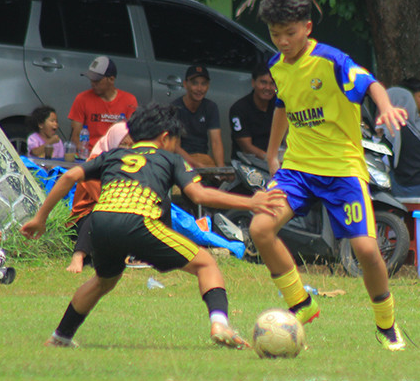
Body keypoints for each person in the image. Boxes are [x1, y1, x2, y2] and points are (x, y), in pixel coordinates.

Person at [21, 103, 286, 349]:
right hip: (139, 220)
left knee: (104, 280)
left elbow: (69, 176)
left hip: (100, 222)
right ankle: (220, 324)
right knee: (206, 264)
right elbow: (200, 196)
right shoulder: (169, 159)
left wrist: (40, 218)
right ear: (165, 137)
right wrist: (251, 202)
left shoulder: (114, 155)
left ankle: (60, 337)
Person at [249, 0, 409, 351]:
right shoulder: (276, 66)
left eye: (290, 33)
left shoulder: (332, 61)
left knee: (367, 252)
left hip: (342, 171)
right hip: (298, 170)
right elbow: (284, 106)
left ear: (307, 27)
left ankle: (386, 325)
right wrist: (273, 154)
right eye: (276, 35)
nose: (283, 41)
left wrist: (384, 107)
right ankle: (302, 305)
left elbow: (371, 84)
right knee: (260, 228)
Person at [66, 121, 133, 274]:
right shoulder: (95, 163)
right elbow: (105, 198)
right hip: (84, 220)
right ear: (113, 142)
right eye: (123, 145)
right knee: (101, 212)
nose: (128, 150)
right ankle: (78, 256)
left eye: (131, 145)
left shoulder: (131, 165)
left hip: (116, 216)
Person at [68, 55, 138, 150]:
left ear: (111, 79)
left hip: (116, 154)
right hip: (89, 154)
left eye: (97, 80)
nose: (93, 83)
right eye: (91, 79)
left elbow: (134, 135)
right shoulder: (82, 99)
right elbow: (75, 136)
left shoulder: (129, 100)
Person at [171, 64, 223, 168]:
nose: (199, 89)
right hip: (182, 160)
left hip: (204, 158)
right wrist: (196, 165)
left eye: (203, 84)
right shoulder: (175, 107)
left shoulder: (211, 107)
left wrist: (221, 169)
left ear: (208, 86)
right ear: (185, 84)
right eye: (195, 83)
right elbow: (175, 146)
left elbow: (216, 141)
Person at [228, 63, 277, 160]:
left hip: (273, 159)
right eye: (263, 82)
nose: (268, 88)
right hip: (247, 162)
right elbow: (246, 147)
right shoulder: (239, 109)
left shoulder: (278, 105)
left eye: (272, 83)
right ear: (253, 83)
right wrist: (270, 159)